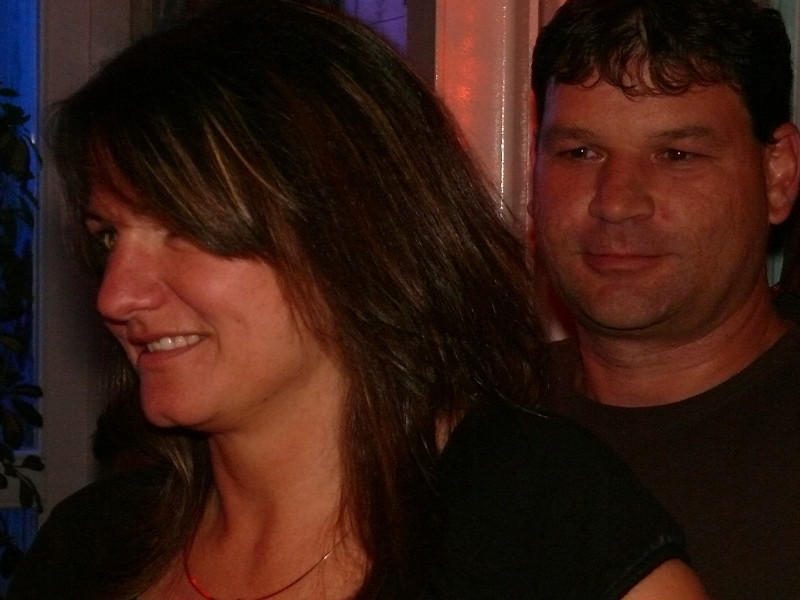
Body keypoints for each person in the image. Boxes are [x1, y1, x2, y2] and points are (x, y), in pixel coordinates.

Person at [10, 1, 709, 599]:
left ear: (350, 228)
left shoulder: (537, 527)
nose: (117, 294)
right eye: (109, 237)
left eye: (183, 228)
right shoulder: (89, 550)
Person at [528, 0, 800, 598]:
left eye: (677, 155)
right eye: (580, 153)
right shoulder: (458, 429)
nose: (616, 201)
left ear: (777, 175)